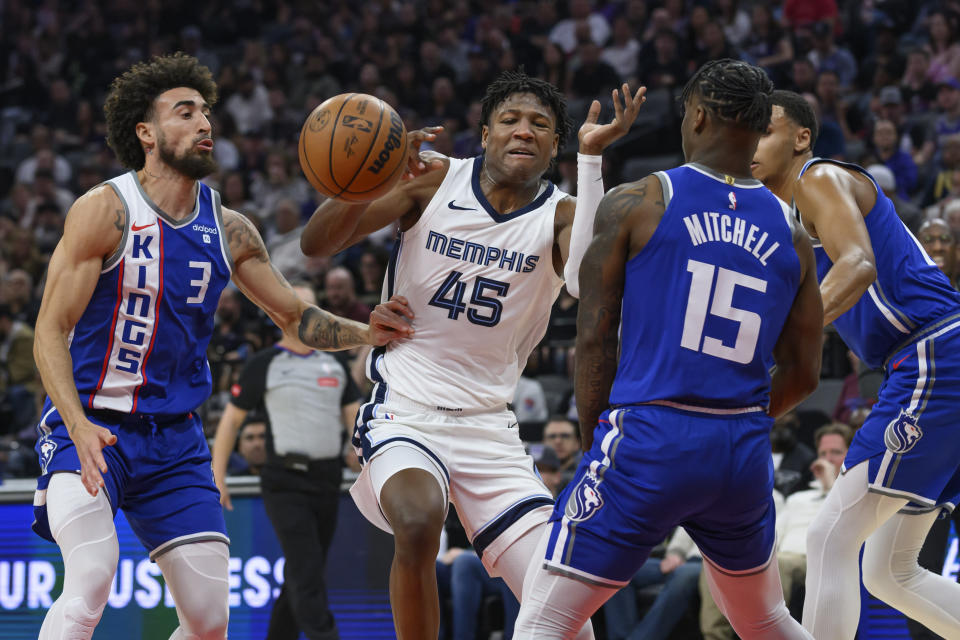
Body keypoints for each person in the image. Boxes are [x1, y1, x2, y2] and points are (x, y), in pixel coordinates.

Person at [30, 53, 413, 640]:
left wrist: (368, 331)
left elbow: (295, 315)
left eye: (206, 111)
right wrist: (77, 425)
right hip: (95, 429)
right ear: (147, 133)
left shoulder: (230, 227)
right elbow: (49, 331)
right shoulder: (104, 210)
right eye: (185, 113)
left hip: (177, 441)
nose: (206, 123)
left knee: (209, 624)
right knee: (90, 585)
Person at [300, 69, 647, 640]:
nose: (523, 132)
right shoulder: (433, 180)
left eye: (540, 125)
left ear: (555, 145)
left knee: (566, 622)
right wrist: (374, 178)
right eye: (509, 120)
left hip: (491, 430)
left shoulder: (561, 214)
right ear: (484, 135)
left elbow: (587, 280)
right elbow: (317, 244)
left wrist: (591, 161)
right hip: (404, 410)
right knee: (417, 523)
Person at [513, 59, 823, 639]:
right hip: (742, 449)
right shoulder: (792, 231)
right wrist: (736, 421)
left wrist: (594, 442)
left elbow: (595, 336)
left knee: (545, 620)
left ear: (698, 115)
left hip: (650, 435)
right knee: (761, 618)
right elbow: (806, 374)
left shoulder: (641, 199)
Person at [750, 88, 960, 639]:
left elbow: (858, 265)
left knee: (828, 538)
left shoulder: (818, 179)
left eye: (765, 128)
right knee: (890, 572)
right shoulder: (782, 216)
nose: (751, 139)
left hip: (936, 352)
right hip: (923, 359)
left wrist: (779, 339)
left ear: (800, 137)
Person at [211, 282, 362, 640]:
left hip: (328, 480)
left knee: (301, 574)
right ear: (282, 316)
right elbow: (231, 421)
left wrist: (367, 462)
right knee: (307, 571)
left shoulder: (336, 363)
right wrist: (218, 477)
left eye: (314, 309)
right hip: (285, 482)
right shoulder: (265, 364)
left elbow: (355, 419)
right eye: (300, 308)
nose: (309, 316)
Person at [602, 527, 703, 640]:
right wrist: (675, 554)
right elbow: (687, 528)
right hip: (683, 560)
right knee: (617, 569)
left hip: (708, 566)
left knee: (684, 575)